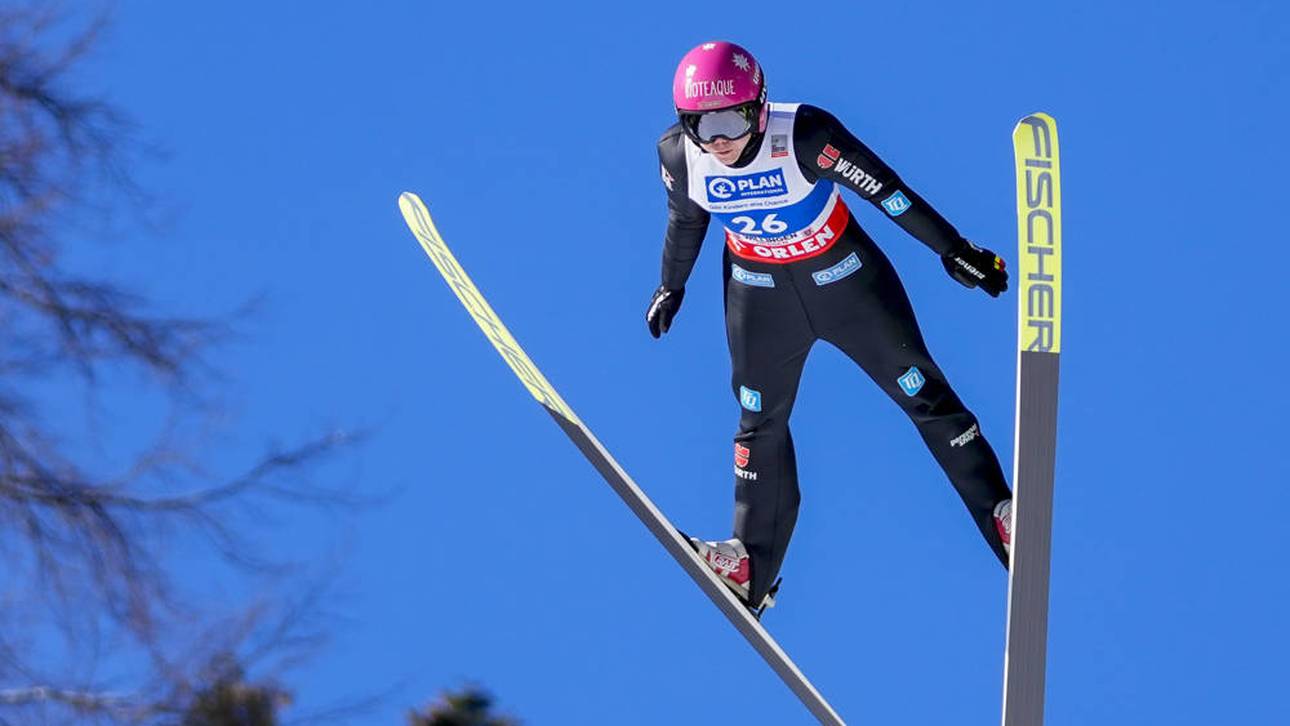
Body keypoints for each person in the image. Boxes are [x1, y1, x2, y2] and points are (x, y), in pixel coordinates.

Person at [648, 41, 1014, 612]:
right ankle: (750, 566)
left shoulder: (805, 135)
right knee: (757, 423)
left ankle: (1002, 518)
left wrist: (954, 249)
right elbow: (685, 219)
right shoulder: (679, 155)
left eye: (729, 118)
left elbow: (888, 193)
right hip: (760, 297)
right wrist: (672, 285)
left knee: (925, 397)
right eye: (699, 123)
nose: (716, 137)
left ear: (758, 107)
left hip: (845, 281)